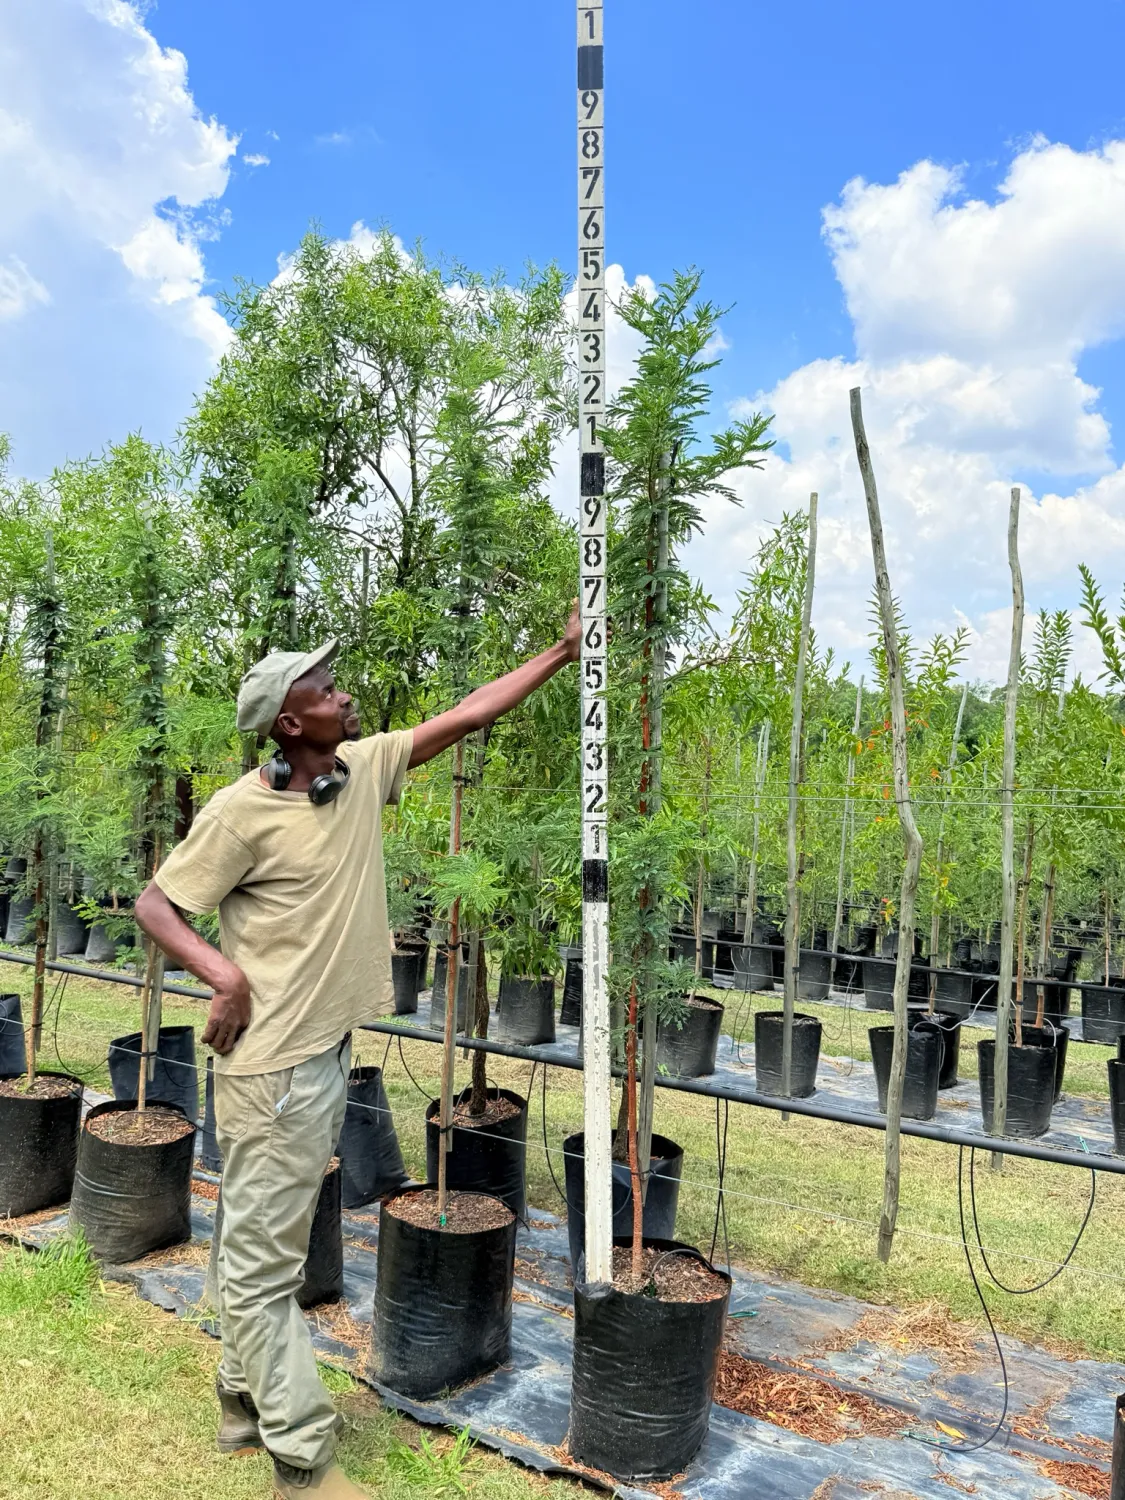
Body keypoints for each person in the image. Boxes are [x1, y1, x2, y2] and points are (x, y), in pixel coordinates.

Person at [135, 607, 580, 1499]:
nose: (346, 694)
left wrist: (563, 652)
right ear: (290, 725)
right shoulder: (240, 813)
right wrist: (224, 977)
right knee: (266, 1267)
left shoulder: (360, 767)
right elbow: (156, 906)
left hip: (321, 1052)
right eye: (326, 689)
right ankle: (303, 1462)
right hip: (274, 1069)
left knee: (263, 1240)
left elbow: (470, 712)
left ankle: (240, 1403)